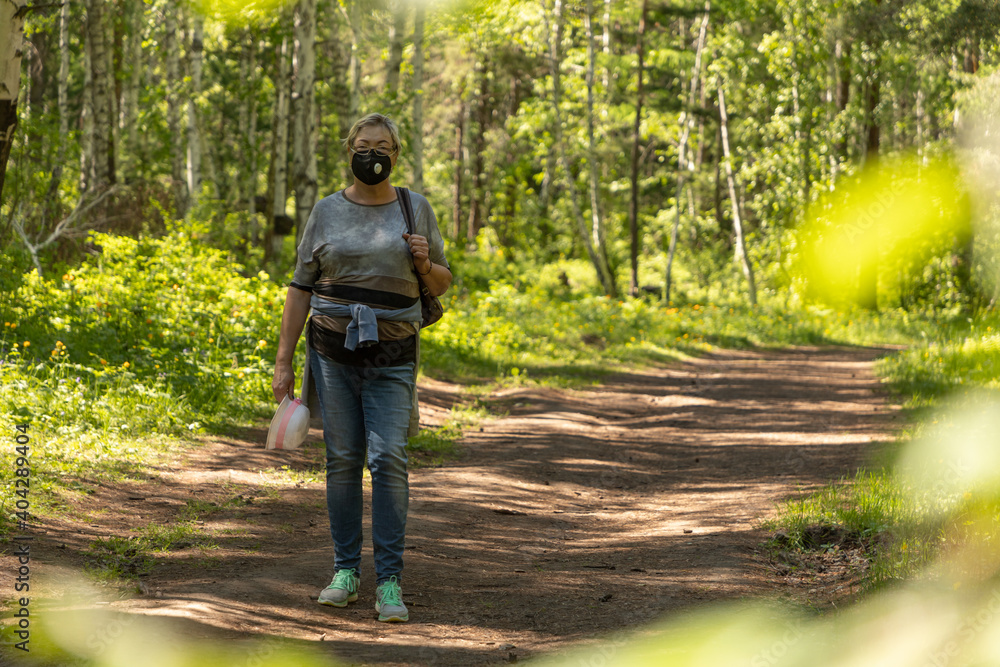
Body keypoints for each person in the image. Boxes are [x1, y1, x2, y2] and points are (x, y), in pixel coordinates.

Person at [272, 113, 451, 623]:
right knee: (343, 458)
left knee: (388, 456)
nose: (372, 153)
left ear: (396, 154)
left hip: (393, 355)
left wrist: (422, 263)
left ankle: (390, 581)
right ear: (349, 149)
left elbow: (441, 283)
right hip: (332, 355)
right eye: (363, 144)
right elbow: (301, 285)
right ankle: (345, 572)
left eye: (383, 146)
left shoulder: (415, 208)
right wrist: (284, 362)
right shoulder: (326, 211)